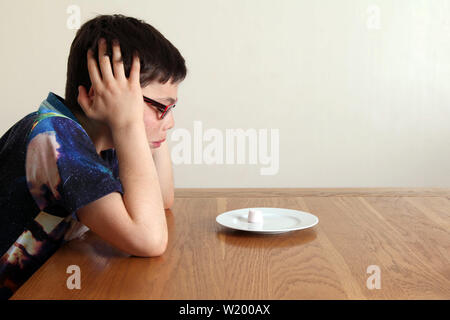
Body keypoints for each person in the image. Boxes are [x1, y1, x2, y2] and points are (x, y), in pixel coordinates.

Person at [0, 14, 187, 299]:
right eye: (161, 107)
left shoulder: (103, 142)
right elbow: (149, 238)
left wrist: (145, 128)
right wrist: (129, 123)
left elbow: (161, 199)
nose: (170, 122)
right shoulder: (55, 137)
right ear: (98, 95)